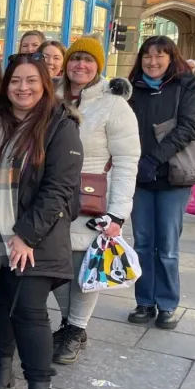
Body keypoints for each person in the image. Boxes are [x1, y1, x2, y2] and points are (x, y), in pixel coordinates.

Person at [0, 53, 82, 389]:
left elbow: (59, 188)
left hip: (37, 238)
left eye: (32, 80)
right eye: (16, 80)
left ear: (45, 84)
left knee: (30, 312)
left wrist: (26, 235)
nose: (23, 88)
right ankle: (2, 365)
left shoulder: (59, 126)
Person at [51, 37, 141, 365]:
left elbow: (127, 161)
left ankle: (75, 330)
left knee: (84, 267)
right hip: (52, 194)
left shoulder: (114, 105)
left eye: (88, 60)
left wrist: (117, 213)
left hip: (92, 199)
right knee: (55, 265)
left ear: (98, 66)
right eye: (76, 58)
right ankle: (71, 323)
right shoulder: (52, 95)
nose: (81, 65)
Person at [127, 36, 195, 330]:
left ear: (171, 58)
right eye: (147, 55)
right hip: (139, 178)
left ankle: (167, 304)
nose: (152, 61)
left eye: (159, 55)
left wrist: (153, 159)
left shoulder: (187, 86)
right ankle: (144, 301)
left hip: (173, 177)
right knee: (143, 243)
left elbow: (190, 127)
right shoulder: (132, 88)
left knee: (168, 246)